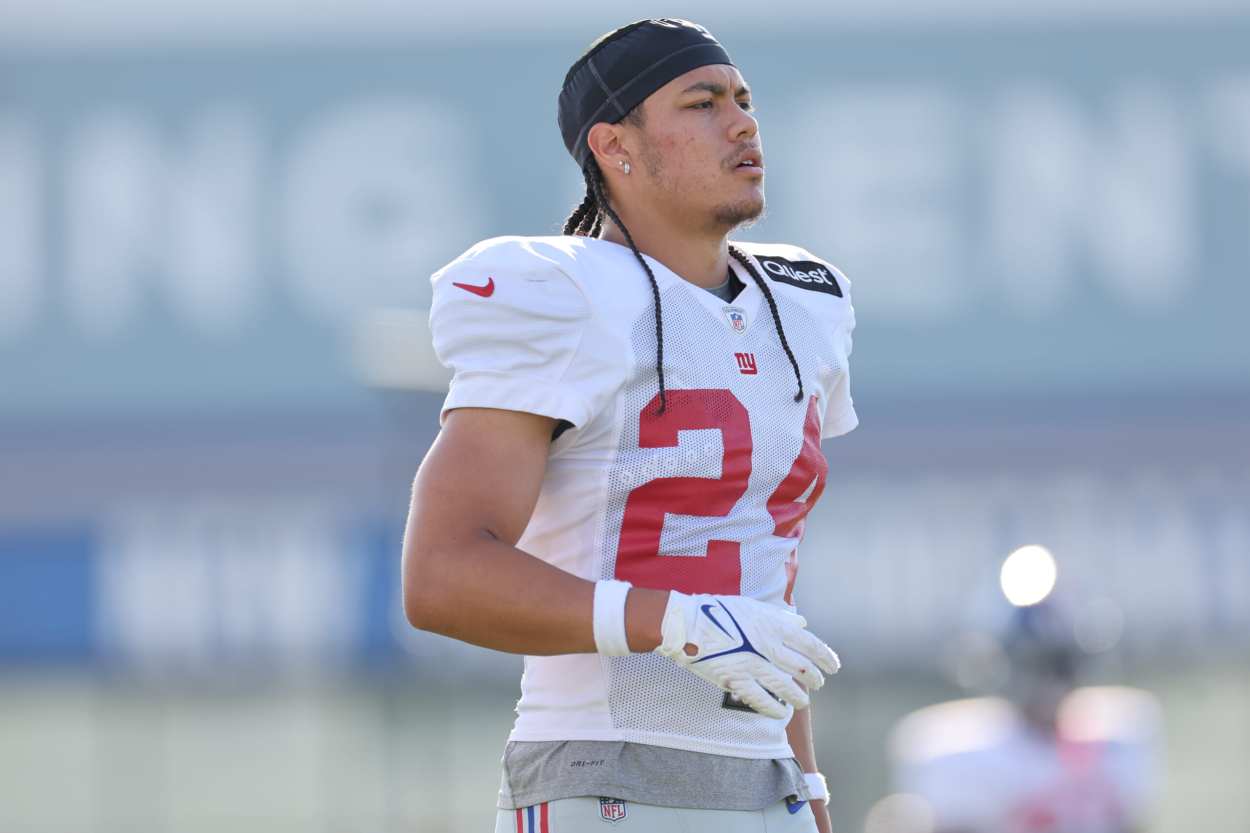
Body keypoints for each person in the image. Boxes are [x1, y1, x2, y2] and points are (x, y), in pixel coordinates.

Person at [402, 18, 858, 833]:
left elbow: (760, 592)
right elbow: (440, 576)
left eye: (745, 99)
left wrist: (811, 789)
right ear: (616, 146)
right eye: (703, 101)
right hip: (604, 773)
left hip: (767, 786)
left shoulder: (804, 307)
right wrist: (673, 621)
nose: (744, 121)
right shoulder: (562, 295)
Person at [887, 597, 1162, 833]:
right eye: (1033, 667)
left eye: (1060, 667)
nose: (1049, 684)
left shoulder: (1117, 743)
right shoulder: (956, 752)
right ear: (1003, 666)